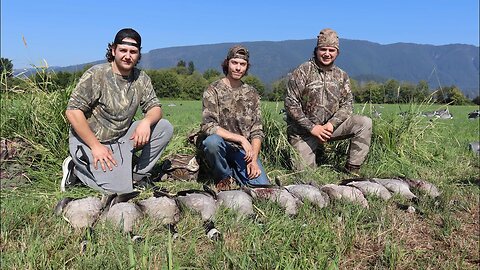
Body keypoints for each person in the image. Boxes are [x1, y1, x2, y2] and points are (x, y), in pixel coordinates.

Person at [61, 28, 173, 194]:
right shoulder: (96, 74)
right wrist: (95, 146)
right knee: (119, 190)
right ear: (113, 50)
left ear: (138, 54)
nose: (128, 56)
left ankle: (138, 175)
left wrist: (146, 122)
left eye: (133, 52)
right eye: (123, 50)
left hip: (121, 139)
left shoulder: (141, 78)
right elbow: (73, 112)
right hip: (91, 142)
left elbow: (155, 108)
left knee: (164, 127)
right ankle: (77, 169)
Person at [284, 28, 372, 175]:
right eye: (323, 49)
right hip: (304, 132)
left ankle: (352, 171)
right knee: (305, 177)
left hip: (330, 129)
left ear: (337, 52)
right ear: (316, 50)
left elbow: (347, 105)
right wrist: (312, 128)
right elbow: (291, 103)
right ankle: (313, 153)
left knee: (364, 123)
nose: (327, 54)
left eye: (331, 50)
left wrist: (331, 125)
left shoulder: (341, 75)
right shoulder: (302, 71)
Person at [200, 45, 270, 191]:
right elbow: (208, 126)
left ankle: (236, 171)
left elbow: (257, 130)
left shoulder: (252, 94)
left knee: (262, 188)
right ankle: (223, 176)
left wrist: (254, 159)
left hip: (243, 152)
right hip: (221, 147)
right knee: (212, 142)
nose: (238, 68)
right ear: (227, 63)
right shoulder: (213, 90)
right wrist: (241, 139)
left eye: (242, 64)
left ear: (247, 67)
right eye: (234, 63)